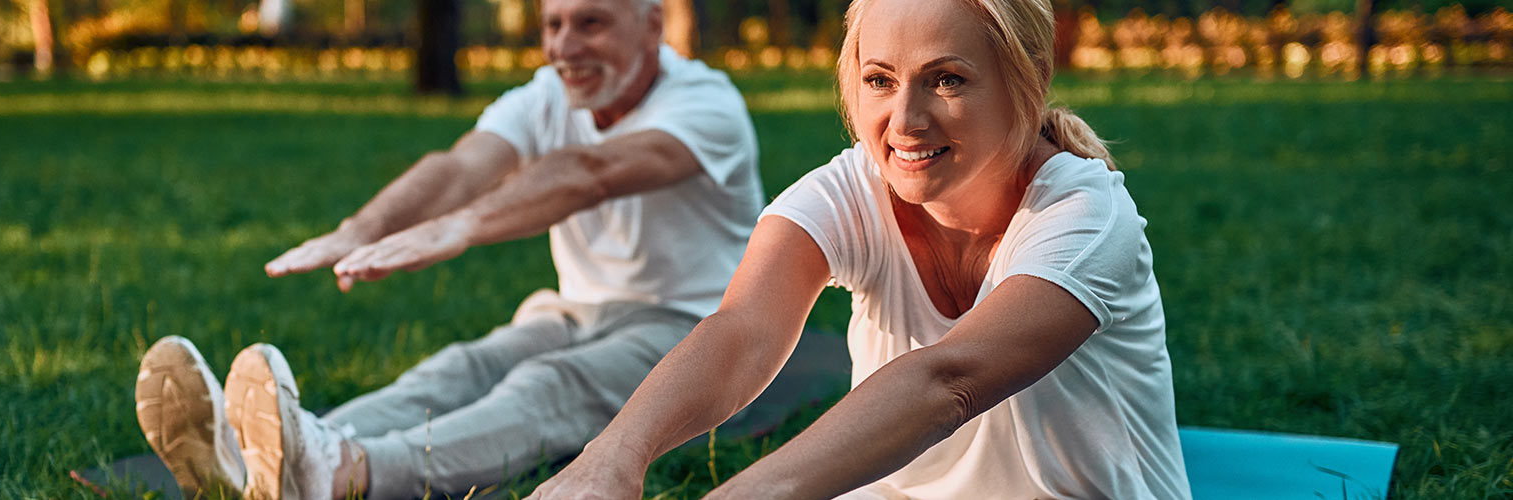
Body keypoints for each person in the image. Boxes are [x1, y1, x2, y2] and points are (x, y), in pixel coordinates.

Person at [529, 0, 1192, 497]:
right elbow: (742, 332)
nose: (904, 121)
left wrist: (745, 493)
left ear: (1030, 78)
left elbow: (947, 381)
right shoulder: (853, 188)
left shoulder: (1083, 215)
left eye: (948, 80)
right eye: (880, 80)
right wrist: (614, 454)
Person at [132, 0, 764, 498]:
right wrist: (362, 229)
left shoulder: (707, 105)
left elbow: (588, 173)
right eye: (552, 24)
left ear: (652, 25)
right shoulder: (546, 92)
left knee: (548, 384)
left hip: (695, 326)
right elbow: (460, 167)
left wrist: (463, 227)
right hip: (577, 312)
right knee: (460, 368)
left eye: (590, 23)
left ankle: (342, 471)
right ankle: (256, 458)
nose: (565, 46)